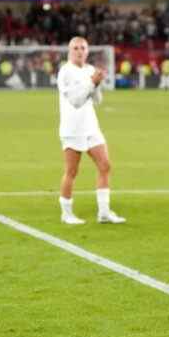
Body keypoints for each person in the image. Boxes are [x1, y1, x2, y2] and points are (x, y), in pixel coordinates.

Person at [57, 36, 125, 224]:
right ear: (70, 51)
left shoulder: (90, 70)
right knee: (72, 171)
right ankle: (66, 213)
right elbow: (75, 101)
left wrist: (97, 83)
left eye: (83, 48)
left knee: (105, 165)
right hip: (72, 128)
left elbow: (97, 100)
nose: (79, 51)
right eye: (76, 48)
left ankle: (104, 212)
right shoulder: (65, 72)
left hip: (90, 126)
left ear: (87, 51)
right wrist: (91, 83)